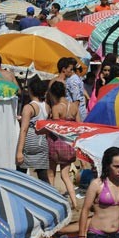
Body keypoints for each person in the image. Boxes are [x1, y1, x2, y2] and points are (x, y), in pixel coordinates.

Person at [47, 80, 81, 208]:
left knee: (51, 174)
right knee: (65, 175)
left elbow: (56, 127)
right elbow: (79, 125)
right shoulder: (74, 107)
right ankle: (74, 201)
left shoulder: (56, 107)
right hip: (69, 145)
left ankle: (51, 200)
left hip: (56, 144)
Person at [15, 76, 50, 182]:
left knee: (21, 175)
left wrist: (19, 152)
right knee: (43, 175)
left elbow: (24, 130)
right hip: (41, 141)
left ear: (30, 90)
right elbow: (38, 121)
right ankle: (49, 196)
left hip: (29, 142)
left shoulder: (28, 107)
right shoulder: (46, 106)